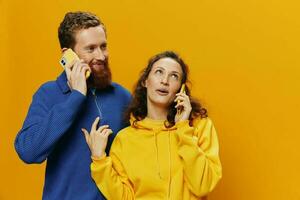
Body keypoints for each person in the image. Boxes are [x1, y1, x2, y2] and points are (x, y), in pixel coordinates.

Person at [14, 11, 131, 200]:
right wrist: (76, 97)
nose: (101, 55)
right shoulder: (49, 94)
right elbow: (28, 151)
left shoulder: (122, 96)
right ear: (68, 54)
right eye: (91, 49)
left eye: (103, 46)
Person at [82, 51, 222, 199]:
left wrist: (183, 129)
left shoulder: (199, 126)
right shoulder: (125, 139)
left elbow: (203, 186)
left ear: (181, 89)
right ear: (146, 81)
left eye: (174, 76)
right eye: (159, 72)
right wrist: (99, 160)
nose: (165, 81)